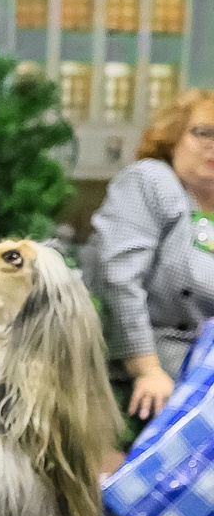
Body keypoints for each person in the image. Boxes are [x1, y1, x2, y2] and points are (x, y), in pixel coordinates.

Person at [88, 91, 214, 424]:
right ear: (172, 139)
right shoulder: (151, 181)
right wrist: (146, 368)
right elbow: (118, 277)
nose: (213, 145)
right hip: (151, 373)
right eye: (203, 132)